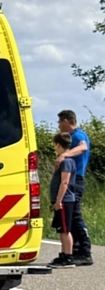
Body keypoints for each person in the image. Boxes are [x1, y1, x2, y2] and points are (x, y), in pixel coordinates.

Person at [55, 110, 93, 265]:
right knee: (71, 215)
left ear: (65, 121)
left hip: (75, 179)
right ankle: (76, 250)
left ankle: (84, 251)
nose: (58, 126)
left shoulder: (78, 135)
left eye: (59, 123)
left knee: (74, 214)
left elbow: (83, 147)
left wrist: (65, 154)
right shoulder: (72, 137)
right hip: (71, 179)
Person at [49, 133, 78, 268]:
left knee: (65, 230)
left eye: (55, 145)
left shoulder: (66, 162)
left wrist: (58, 200)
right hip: (63, 200)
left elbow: (64, 182)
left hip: (64, 200)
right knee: (61, 229)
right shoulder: (67, 160)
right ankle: (64, 253)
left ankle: (68, 256)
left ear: (59, 145)